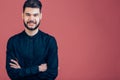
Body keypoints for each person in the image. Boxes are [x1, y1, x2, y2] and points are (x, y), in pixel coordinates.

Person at [6, 0, 58, 80]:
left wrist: (23, 71)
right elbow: (13, 74)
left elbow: (52, 74)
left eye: (35, 15)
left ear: (40, 16)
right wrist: (38, 69)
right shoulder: (13, 42)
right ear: (22, 15)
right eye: (28, 15)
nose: (31, 19)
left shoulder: (50, 41)